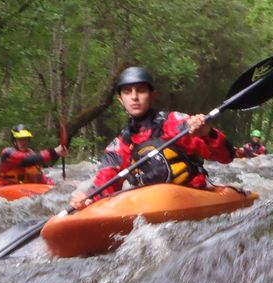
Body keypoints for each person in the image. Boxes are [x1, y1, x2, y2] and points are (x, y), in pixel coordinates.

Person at [70, 66, 235, 210]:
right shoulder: (121, 143)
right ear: (121, 100)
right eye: (128, 92)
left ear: (152, 94)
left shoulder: (175, 123)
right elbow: (106, 181)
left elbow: (226, 157)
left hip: (191, 195)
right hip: (149, 203)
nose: (134, 97)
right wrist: (89, 196)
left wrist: (207, 133)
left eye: (141, 90)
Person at [0, 124, 68, 186]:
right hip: (7, 188)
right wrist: (55, 152)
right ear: (14, 141)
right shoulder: (8, 153)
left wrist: (57, 186)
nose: (23, 142)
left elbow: (40, 177)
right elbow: (27, 159)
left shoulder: (31, 154)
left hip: (26, 189)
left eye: (25, 139)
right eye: (20, 139)